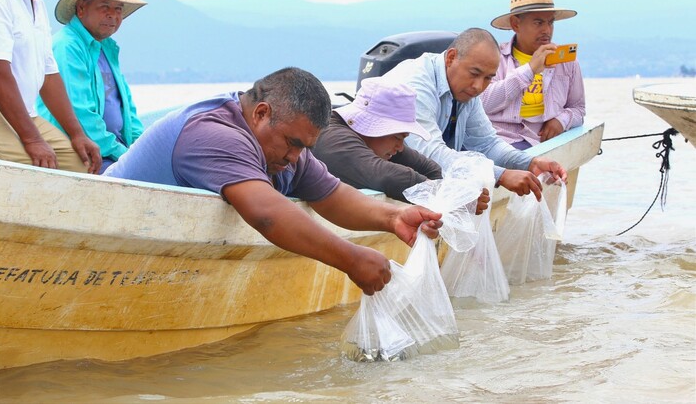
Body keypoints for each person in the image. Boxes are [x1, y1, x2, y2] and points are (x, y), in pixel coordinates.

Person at [105, 67, 443, 295]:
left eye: (305, 147)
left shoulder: (286, 148)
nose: (296, 156)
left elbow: (332, 195)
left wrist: (393, 217)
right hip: (114, 243)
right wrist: (352, 260)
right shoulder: (214, 133)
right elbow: (267, 213)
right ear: (261, 113)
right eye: (293, 143)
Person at [378, 27, 567, 201]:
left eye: (488, 78)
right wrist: (501, 175)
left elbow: (486, 143)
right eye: (474, 73)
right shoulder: (415, 85)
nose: (479, 86)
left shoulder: (467, 91)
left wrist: (530, 163)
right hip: (378, 170)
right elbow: (430, 154)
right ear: (451, 58)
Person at [0, 0, 100, 173]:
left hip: (23, 112)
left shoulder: (34, 0)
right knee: (32, 172)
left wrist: (77, 134)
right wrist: (32, 140)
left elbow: (48, 72)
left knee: (79, 165)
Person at [36, 0, 146, 173]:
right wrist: (124, 155)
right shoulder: (68, 45)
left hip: (113, 150)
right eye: (105, 6)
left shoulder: (107, 47)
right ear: (81, 9)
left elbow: (127, 108)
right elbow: (80, 112)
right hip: (88, 152)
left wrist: (141, 147)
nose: (113, 15)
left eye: (118, 8)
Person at [481, 0, 586, 149]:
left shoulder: (567, 62)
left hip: (544, 142)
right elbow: (483, 102)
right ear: (515, 24)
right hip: (501, 141)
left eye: (550, 23)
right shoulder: (495, 58)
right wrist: (529, 70)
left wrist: (561, 121)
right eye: (538, 22)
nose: (547, 30)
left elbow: (578, 108)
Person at [313, 77, 443, 202]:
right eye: (397, 138)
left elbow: (430, 169)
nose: (400, 147)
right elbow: (384, 176)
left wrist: (444, 190)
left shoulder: (374, 142)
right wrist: (438, 194)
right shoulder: (332, 139)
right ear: (370, 126)